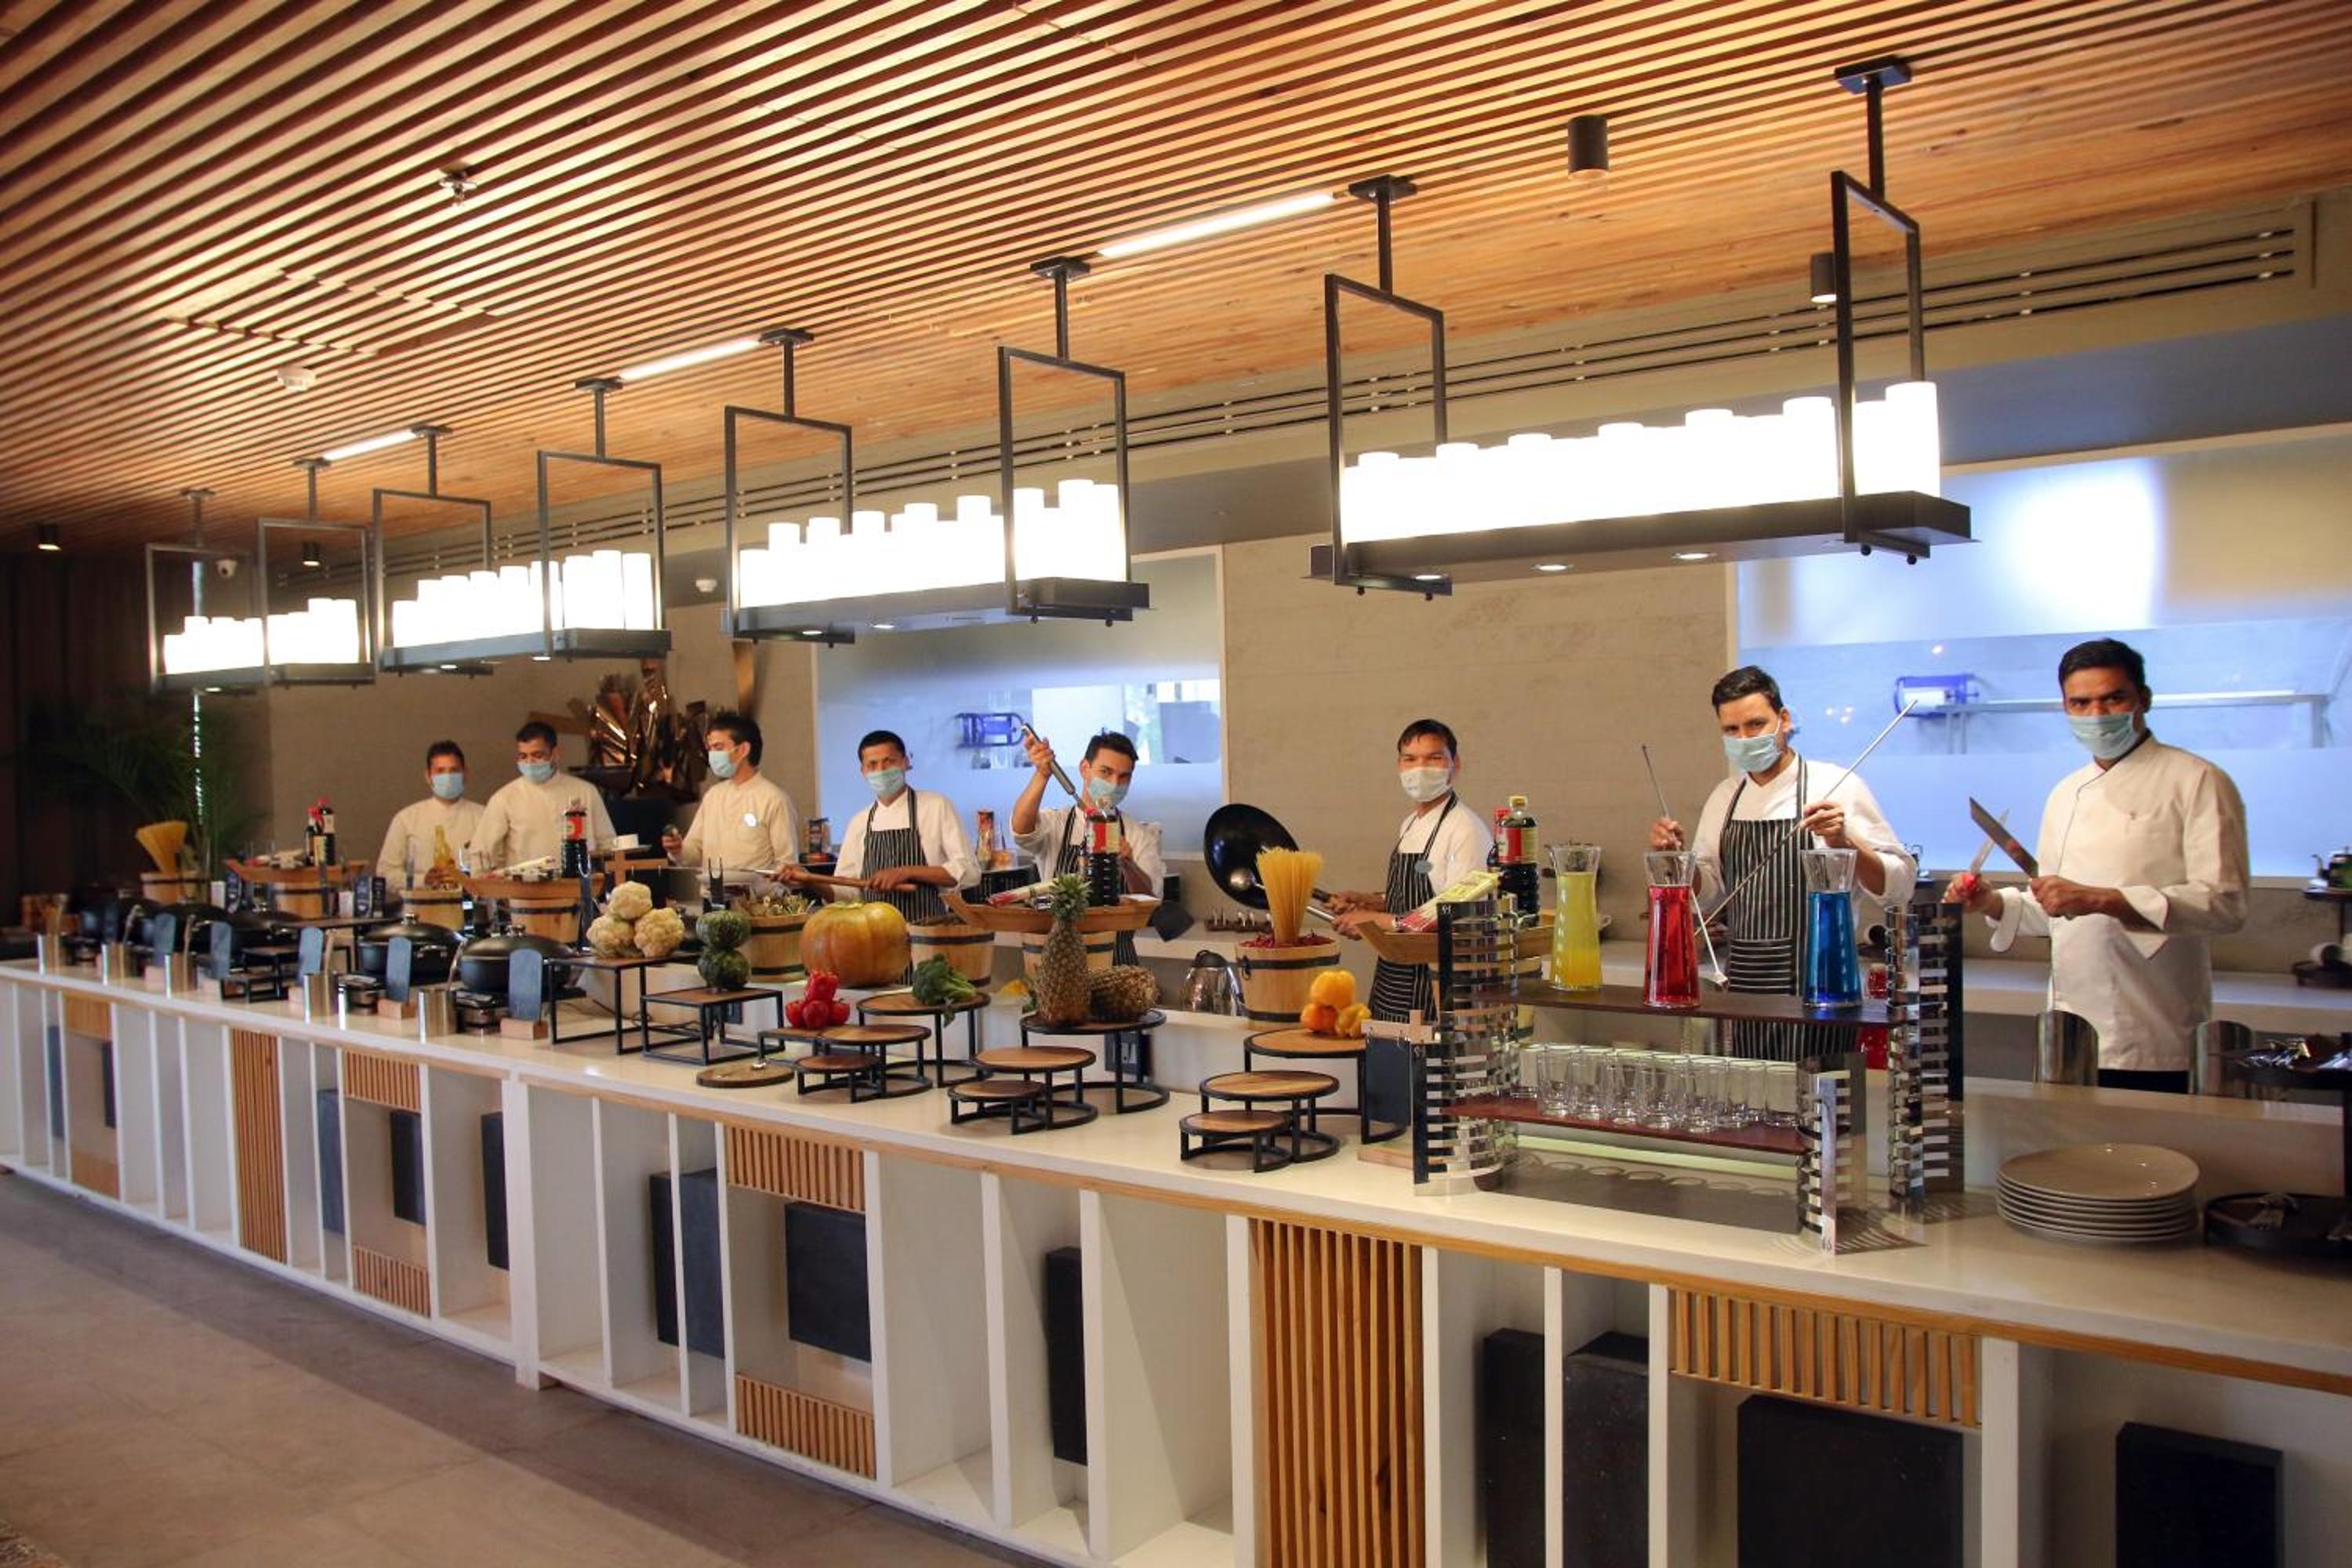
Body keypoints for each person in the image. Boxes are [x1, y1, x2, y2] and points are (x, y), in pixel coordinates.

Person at [1947, 637, 2248, 1091]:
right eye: (2081, 703)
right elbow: (2058, 909)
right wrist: (1993, 903)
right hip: (2067, 1034)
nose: (2097, 714)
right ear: (2064, 707)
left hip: (2155, 1032)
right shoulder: (2066, 792)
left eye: (2113, 698)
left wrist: (2104, 899)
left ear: (2144, 699)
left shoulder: (2198, 780)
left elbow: (2224, 904)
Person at [1650, 666, 1915, 1060]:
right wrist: (1675, 860)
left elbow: (1900, 885)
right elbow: (1707, 894)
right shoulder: (1725, 797)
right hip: (1744, 985)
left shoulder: (1837, 785)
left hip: (1822, 983)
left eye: (1756, 725)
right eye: (1732, 730)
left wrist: (1844, 841)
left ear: (1784, 720)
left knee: (1822, 1091)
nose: (1745, 738)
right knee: (1753, 1091)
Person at [1331, 719, 1495, 1129]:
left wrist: (1374, 921)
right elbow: (1417, 896)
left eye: (1434, 758)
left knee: (1428, 1100)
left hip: (1437, 981)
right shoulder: (1410, 824)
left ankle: (1422, 1154)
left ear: (1456, 764)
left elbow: (1453, 915)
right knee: (1389, 1086)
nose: (1420, 769)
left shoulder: (1466, 830)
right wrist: (1367, 901)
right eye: (1410, 759)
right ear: (1398, 765)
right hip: (1394, 974)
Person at [1012, 729, 1165, 964]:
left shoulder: (1138, 834)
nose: (1114, 784)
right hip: (1060, 963)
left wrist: (1129, 864)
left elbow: (1150, 903)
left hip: (1119, 964)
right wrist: (1042, 775)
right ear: (1085, 768)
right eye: (1106, 772)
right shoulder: (1057, 823)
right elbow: (1021, 831)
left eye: (1124, 777)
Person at [810, 729, 976, 924]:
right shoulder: (859, 822)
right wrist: (810, 881)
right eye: (872, 764)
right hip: (873, 934)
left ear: (905, 762)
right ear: (863, 771)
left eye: (889, 761)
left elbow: (969, 871)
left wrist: (907, 871)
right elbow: (847, 894)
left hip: (928, 931)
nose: (881, 770)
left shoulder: (936, 806)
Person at [661, 712, 800, 880]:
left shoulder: (774, 799)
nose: (712, 755)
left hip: (758, 895)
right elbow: (694, 851)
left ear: (743, 749)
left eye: (718, 748)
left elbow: (787, 864)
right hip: (713, 893)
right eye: (710, 749)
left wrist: (779, 876)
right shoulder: (713, 796)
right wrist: (677, 850)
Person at [471, 720, 616, 870]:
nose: (530, 762)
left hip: (579, 881)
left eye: (537, 755)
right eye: (523, 756)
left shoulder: (585, 791)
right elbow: (482, 853)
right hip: (525, 883)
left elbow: (607, 844)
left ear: (555, 754)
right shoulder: (504, 798)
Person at [376, 740, 484, 889]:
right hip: (420, 902)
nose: (448, 777)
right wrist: (422, 880)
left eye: (454, 770)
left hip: (469, 901)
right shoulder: (406, 819)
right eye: (440, 771)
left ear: (465, 774)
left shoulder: (484, 816)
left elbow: (497, 870)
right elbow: (385, 874)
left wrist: (468, 880)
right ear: (428, 776)